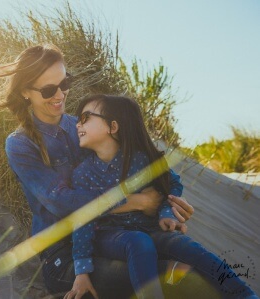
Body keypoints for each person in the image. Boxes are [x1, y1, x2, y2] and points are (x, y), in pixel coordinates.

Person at [0, 44, 205, 298]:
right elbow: (63, 203)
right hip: (62, 254)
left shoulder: (86, 126)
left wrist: (170, 204)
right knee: (166, 274)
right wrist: (134, 202)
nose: (60, 94)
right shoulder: (20, 144)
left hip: (111, 236)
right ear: (26, 92)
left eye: (65, 83)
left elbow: (146, 168)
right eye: (49, 89)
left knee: (189, 266)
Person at [65, 94, 258, 299]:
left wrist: (167, 214)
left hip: (149, 227)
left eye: (86, 117)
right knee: (138, 242)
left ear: (113, 127)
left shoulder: (142, 160)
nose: (78, 124)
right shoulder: (83, 173)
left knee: (184, 245)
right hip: (108, 235)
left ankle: (244, 294)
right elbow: (82, 219)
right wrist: (82, 271)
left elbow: (170, 185)